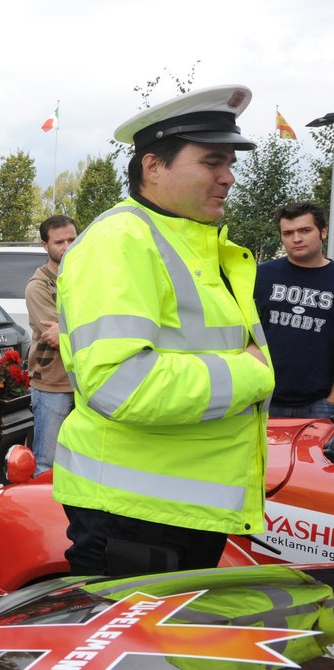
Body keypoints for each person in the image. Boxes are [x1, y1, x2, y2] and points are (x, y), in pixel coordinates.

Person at [53, 85, 275, 578]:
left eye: (230, 162)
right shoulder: (120, 241)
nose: (228, 177)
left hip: (171, 511)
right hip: (135, 519)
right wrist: (252, 375)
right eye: (212, 161)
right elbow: (119, 383)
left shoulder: (191, 240)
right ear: (153, 166)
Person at [255, 202, 334, 418]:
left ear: (323, 232)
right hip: (262, 396)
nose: (296, 238)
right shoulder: (261, 276)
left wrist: (331, 401)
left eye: (305, 230)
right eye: (288, 233)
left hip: (319, 403)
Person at [24, 214, 78, 476]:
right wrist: (88, 329)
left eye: (72, 239)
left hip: (84, 382)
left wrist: (68, 329)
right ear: (45, 245)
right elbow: (54, 337)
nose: (67, 246)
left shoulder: (85, 279)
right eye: (59, 242)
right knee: (46, 464)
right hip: (52, 385)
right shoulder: (38, 286)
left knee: (77, 462)